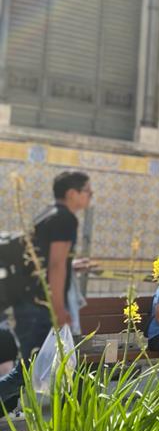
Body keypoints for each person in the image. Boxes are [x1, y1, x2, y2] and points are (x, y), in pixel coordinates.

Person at [0, 170, 93, 415]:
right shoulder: (66, 218)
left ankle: (75, 420)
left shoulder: (47, 215)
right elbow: (55, 265)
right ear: (72, 193)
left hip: (29, 302)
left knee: (40, 369)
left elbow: (39, 261)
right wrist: (59, 307)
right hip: (41, 307)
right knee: (25, 373)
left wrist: (72, 265)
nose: (90, 196)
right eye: (88, 191)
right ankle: (77, 421)